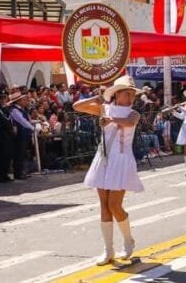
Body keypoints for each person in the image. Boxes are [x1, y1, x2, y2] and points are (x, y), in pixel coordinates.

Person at [74, 75, 144, 265]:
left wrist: (109, 119)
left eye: (132, 94)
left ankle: (128, 240)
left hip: (121, 161)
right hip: (104, 159)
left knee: (115, 205)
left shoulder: (134, 113)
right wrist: (94, 100)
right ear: (116, 94)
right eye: (126, 94)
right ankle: (108, 250)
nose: (130, 98)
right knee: (104, 206)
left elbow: (128, 123)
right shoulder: (105, 108)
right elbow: (77, 107)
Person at [8, 91, 34, 180]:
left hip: (25, 134)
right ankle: (18, 173)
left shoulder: (23, 110)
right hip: (19, 135)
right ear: (18, 101)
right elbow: (22, 121)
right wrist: (32, 128)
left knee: (23, 153)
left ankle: (23, 171)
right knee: (19, 154)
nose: (26, 101)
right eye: (24, 100)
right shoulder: (14, 110)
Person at [0, 91, 15, 182]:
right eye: (1, 98)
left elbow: (10, 121)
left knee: (7, 155)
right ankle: (0, 175)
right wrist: (11, 127)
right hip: (1, 134)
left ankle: (5, 174)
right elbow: (4, 121)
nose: (3, 100)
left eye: (4, 98)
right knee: (1, 155)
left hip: (8, 135)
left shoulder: (6, 109)